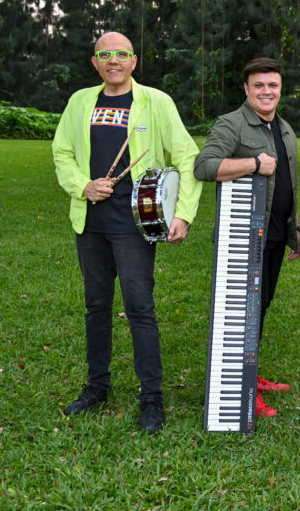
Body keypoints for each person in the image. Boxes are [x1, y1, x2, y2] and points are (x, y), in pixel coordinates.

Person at [52, 31, 201, 434]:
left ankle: (151, 398)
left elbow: (187, 156)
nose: (113, 60)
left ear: (134, 61)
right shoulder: (80, 102)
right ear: (95, 62)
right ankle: (97, 387)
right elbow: (62, 152)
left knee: (140, 308)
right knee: (96, 307)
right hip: (91, 223)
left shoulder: (156, 102)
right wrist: (83, 184)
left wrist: (183, 213)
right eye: (105, 54)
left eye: (121, 54)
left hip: (135, 225)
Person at [193, 57, 300, 418]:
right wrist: (253, 163)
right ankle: (242, 387)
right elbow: (204, 166)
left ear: (280, 89)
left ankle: (250, 373)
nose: (266, 91)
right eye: (259, 85)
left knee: (261, 307)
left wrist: (292, 234)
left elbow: (288, 183)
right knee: (243, 313)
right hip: (244, 237)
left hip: (273, 237)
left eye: (272, 85)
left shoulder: (284, 128)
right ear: (246, 89)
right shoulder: (232, 124)